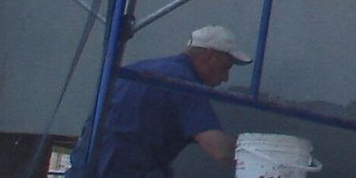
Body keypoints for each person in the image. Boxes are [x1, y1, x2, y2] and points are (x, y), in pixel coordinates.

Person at [70, 24, 251, 177]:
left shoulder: (136, 70)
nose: (226, 78)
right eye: (226, 67)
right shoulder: (183, 84)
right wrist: (259, 155)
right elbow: (220, 150)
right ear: (210, 56)